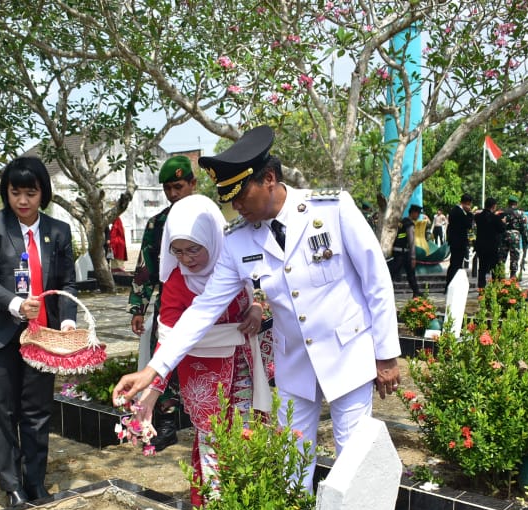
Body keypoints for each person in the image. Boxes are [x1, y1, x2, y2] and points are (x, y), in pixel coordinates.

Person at [113, 125, 401, 487]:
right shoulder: (238, 241)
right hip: (294, 360)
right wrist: (153, 370)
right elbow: (202, 311)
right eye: (228, 198)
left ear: (268, 179)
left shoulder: (331, 208)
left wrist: (387, 355)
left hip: (347, 351)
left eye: (240, 195)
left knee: (352, 456)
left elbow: (376, 279)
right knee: (292, 462)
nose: (235, 206)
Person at [134, 194, 270, 506]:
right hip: (201, 370)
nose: (187, 258)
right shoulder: (176, 282)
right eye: (178, 251)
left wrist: (256, 307)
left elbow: (262, 287)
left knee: (247, 432)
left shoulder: (233, 260)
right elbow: (167, 338)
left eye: (194, 249)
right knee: (213, 437)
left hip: (242, 364)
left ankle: (248, 503)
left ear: (213, 239)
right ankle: (216, 509)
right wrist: (151, 393)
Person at [0, 156, 78, 508]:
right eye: (15, 192)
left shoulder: (58, 231)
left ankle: (35, 481)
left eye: (30, 192)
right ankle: (12, 486)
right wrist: (16, 305)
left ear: (42, 192)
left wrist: (67, 320)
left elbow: (66, 283)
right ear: (7, 192)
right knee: (2, 411)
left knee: (37, 411)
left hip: (42, 337)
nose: (23, 201)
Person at [126, 155, 198, 451]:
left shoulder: (207, 216)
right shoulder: (158, 224)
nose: (173, 194)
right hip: (170, 305)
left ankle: (207, 418)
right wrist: (138, 307)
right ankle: (167, 425)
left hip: (208, 304)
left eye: (178, 186)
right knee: (164, 360)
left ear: (193, 184)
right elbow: (145, 267)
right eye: (168, 188)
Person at [387, 204, 422, 298]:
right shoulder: (409, 224)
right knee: (395, 272)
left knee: (410, 272)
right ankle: (385, 290)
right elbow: (411, 240)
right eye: (418, 214)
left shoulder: (402, 222)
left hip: (397, 251)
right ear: (413, 213)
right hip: (403, 253)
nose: (418, 216)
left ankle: (416, 292)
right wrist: (413, 257)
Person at [473, 197, 505, 288]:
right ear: (494, 206)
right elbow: (502, 229)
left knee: (482, 268)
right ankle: (494, 288)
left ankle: (481, 288)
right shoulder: (495, 218)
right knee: (494, 268)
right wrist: (503, 222)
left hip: (481, 246)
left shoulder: (478, 217)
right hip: (492, 247)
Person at [446, 193, 474, 287]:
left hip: (455, 242)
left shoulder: (454, 210)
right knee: (456, 264)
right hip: (458, 242)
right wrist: (470, 213)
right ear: (466, 203)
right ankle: (451, 284)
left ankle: (451, 284)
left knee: (455, 263)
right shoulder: (458, 212)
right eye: (469, 204)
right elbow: (468, 224)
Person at [498, 197, 527, 278]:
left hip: (504, 236)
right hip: (515, 236)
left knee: (502, 257)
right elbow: (524, 228)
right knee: (514, 257)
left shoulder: (503, 213)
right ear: (516, 204)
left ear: (508, 203)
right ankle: (513, 276)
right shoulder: (520, 213)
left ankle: (500, 276)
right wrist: (525, 239)